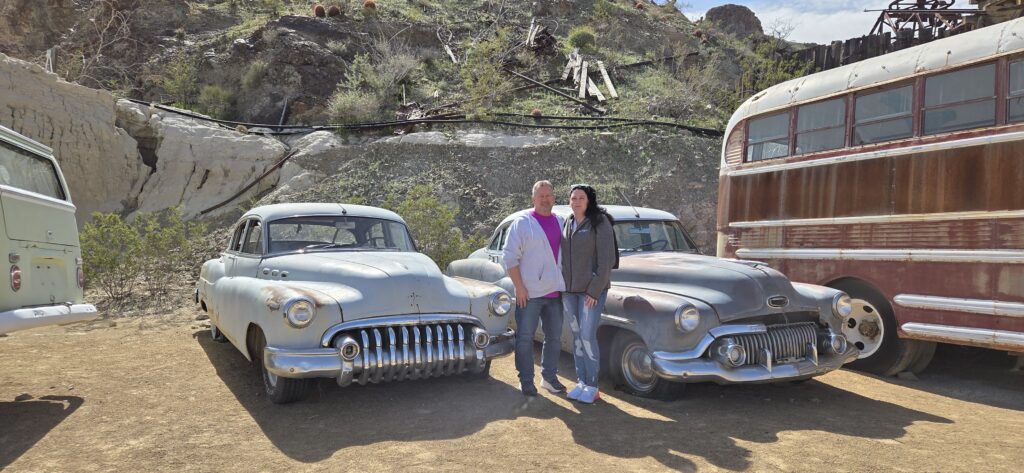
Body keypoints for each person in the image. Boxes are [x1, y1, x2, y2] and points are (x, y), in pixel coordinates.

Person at [503, 180, 568, 397]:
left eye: (549, 195)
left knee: (554, 338)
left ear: (554, 198)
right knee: (525, 337)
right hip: (529, 294)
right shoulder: (522, 223)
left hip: (554, 292)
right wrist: (519, 288)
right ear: (533, 198)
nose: (545, 199)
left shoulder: (560, 221)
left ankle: (549, 377)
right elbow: (510, 258)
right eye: (541, 196)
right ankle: (526, 380)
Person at [561, 184, 616, 404]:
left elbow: (606, 261)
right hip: (569, 292)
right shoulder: (568, 222)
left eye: (581, 198)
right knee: (576, 337)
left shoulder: (599, 222)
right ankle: (581, 381)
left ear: (589, 200)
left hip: (591, 292)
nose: (576, 201)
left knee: (587, 336)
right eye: (573, 198)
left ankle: (593, 385)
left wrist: (594, 289)